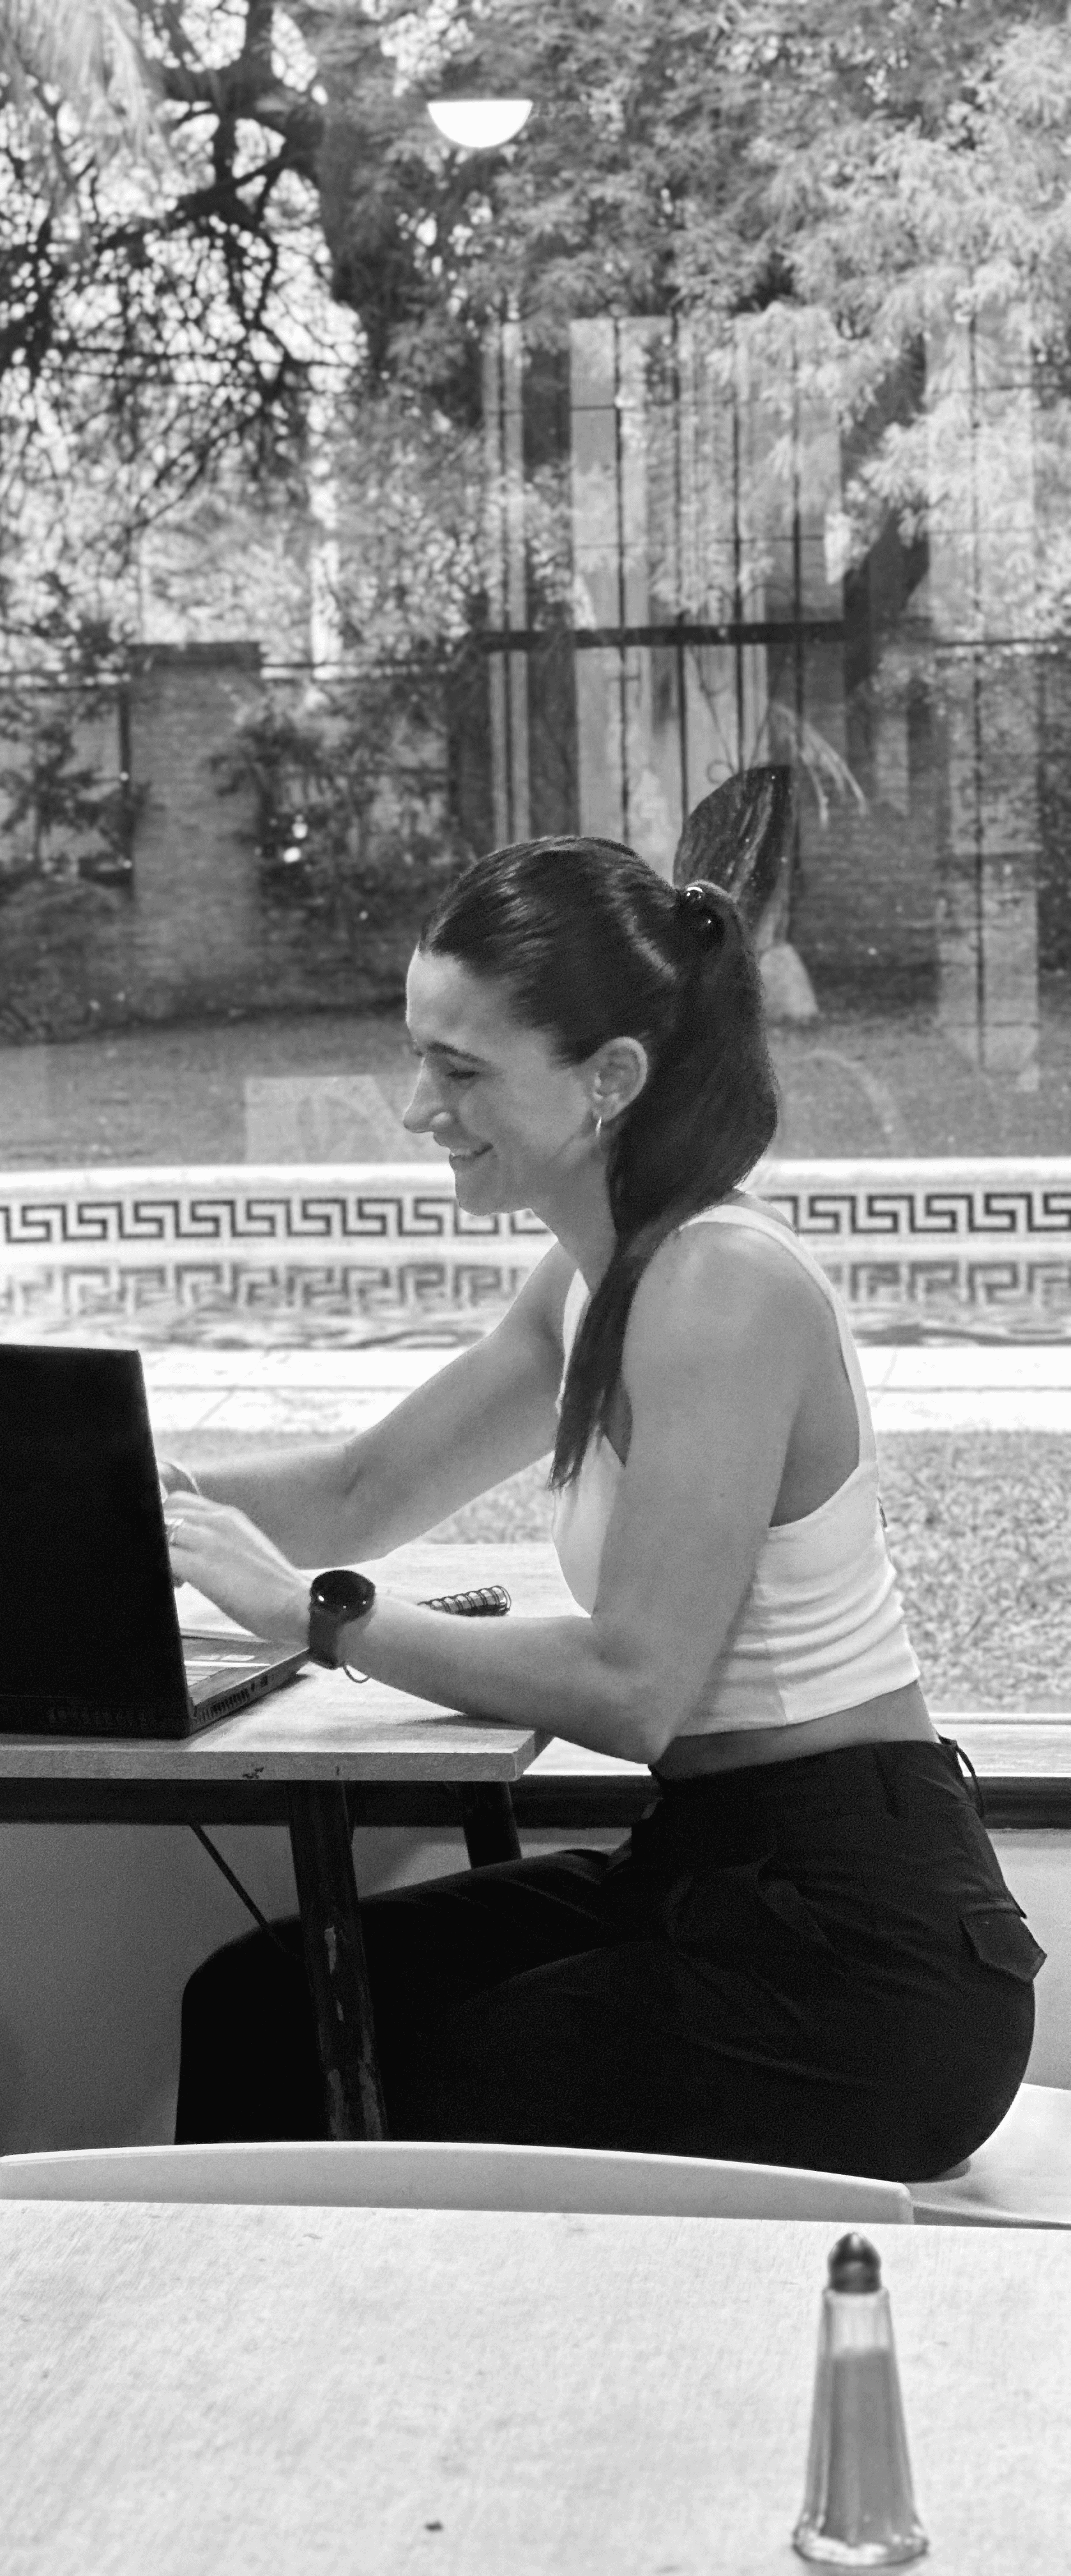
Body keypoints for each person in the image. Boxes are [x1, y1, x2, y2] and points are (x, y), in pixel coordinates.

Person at [163, 836, 1042, 2183]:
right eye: (418, 1058)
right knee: (264, 2001)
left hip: (866, 1957)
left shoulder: (721, 1287)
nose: (418, 1107)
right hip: (708, 1871)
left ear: (610, 1079)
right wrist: (102, 1492)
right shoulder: (590, 1279)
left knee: (411, 2082)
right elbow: (357, 1491)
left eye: (461, 1070)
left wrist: (316, 1616)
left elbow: (635, 1688)